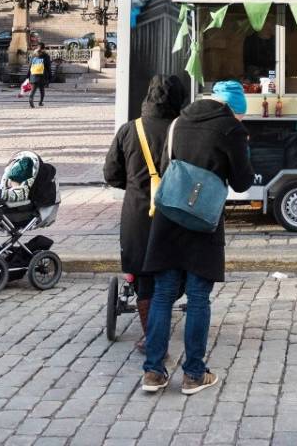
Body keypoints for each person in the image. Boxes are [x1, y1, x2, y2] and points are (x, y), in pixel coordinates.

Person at [140, 80, 253, 395]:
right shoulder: (233, 130)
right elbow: (242, 182)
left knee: (162, 293)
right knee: (198, 298)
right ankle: (193, 375)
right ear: (233, 107)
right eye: (242, 113)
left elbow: (165, 166)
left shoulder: (178, 121)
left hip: (168, 217)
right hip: (203, 220)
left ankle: (153, 372)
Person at [103, 74, 186, 349]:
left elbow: (111, 174)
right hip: (175, 213)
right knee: (174, 267)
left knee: (142, 274)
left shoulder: (129, 130)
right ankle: (160, 325)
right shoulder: (182, 130)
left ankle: (151, 334)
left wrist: (135, 186)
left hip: (138, 213)